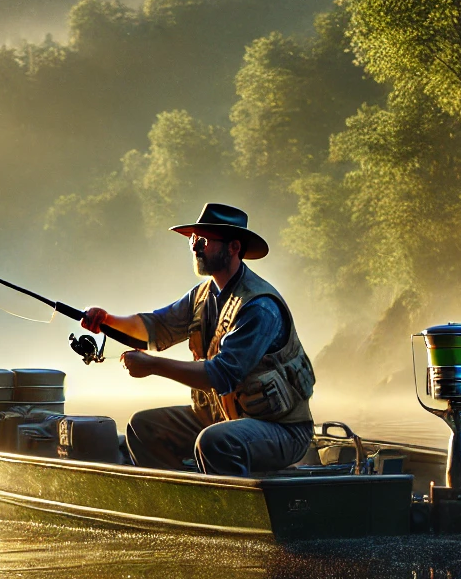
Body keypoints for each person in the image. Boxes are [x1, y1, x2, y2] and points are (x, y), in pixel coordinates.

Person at [81, 202, 315, 476]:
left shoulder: (259, 307)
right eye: (193, 239)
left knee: (215, 441)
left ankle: (228, 512)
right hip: (223, 418)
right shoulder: (202, 295)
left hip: (282, 430)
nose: (194, 246)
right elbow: (157, 326)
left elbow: (222, 374)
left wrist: (154, 366)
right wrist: (107, 320)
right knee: (141, 426)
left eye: (203, 239)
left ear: (234, 247)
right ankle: (176, 505)